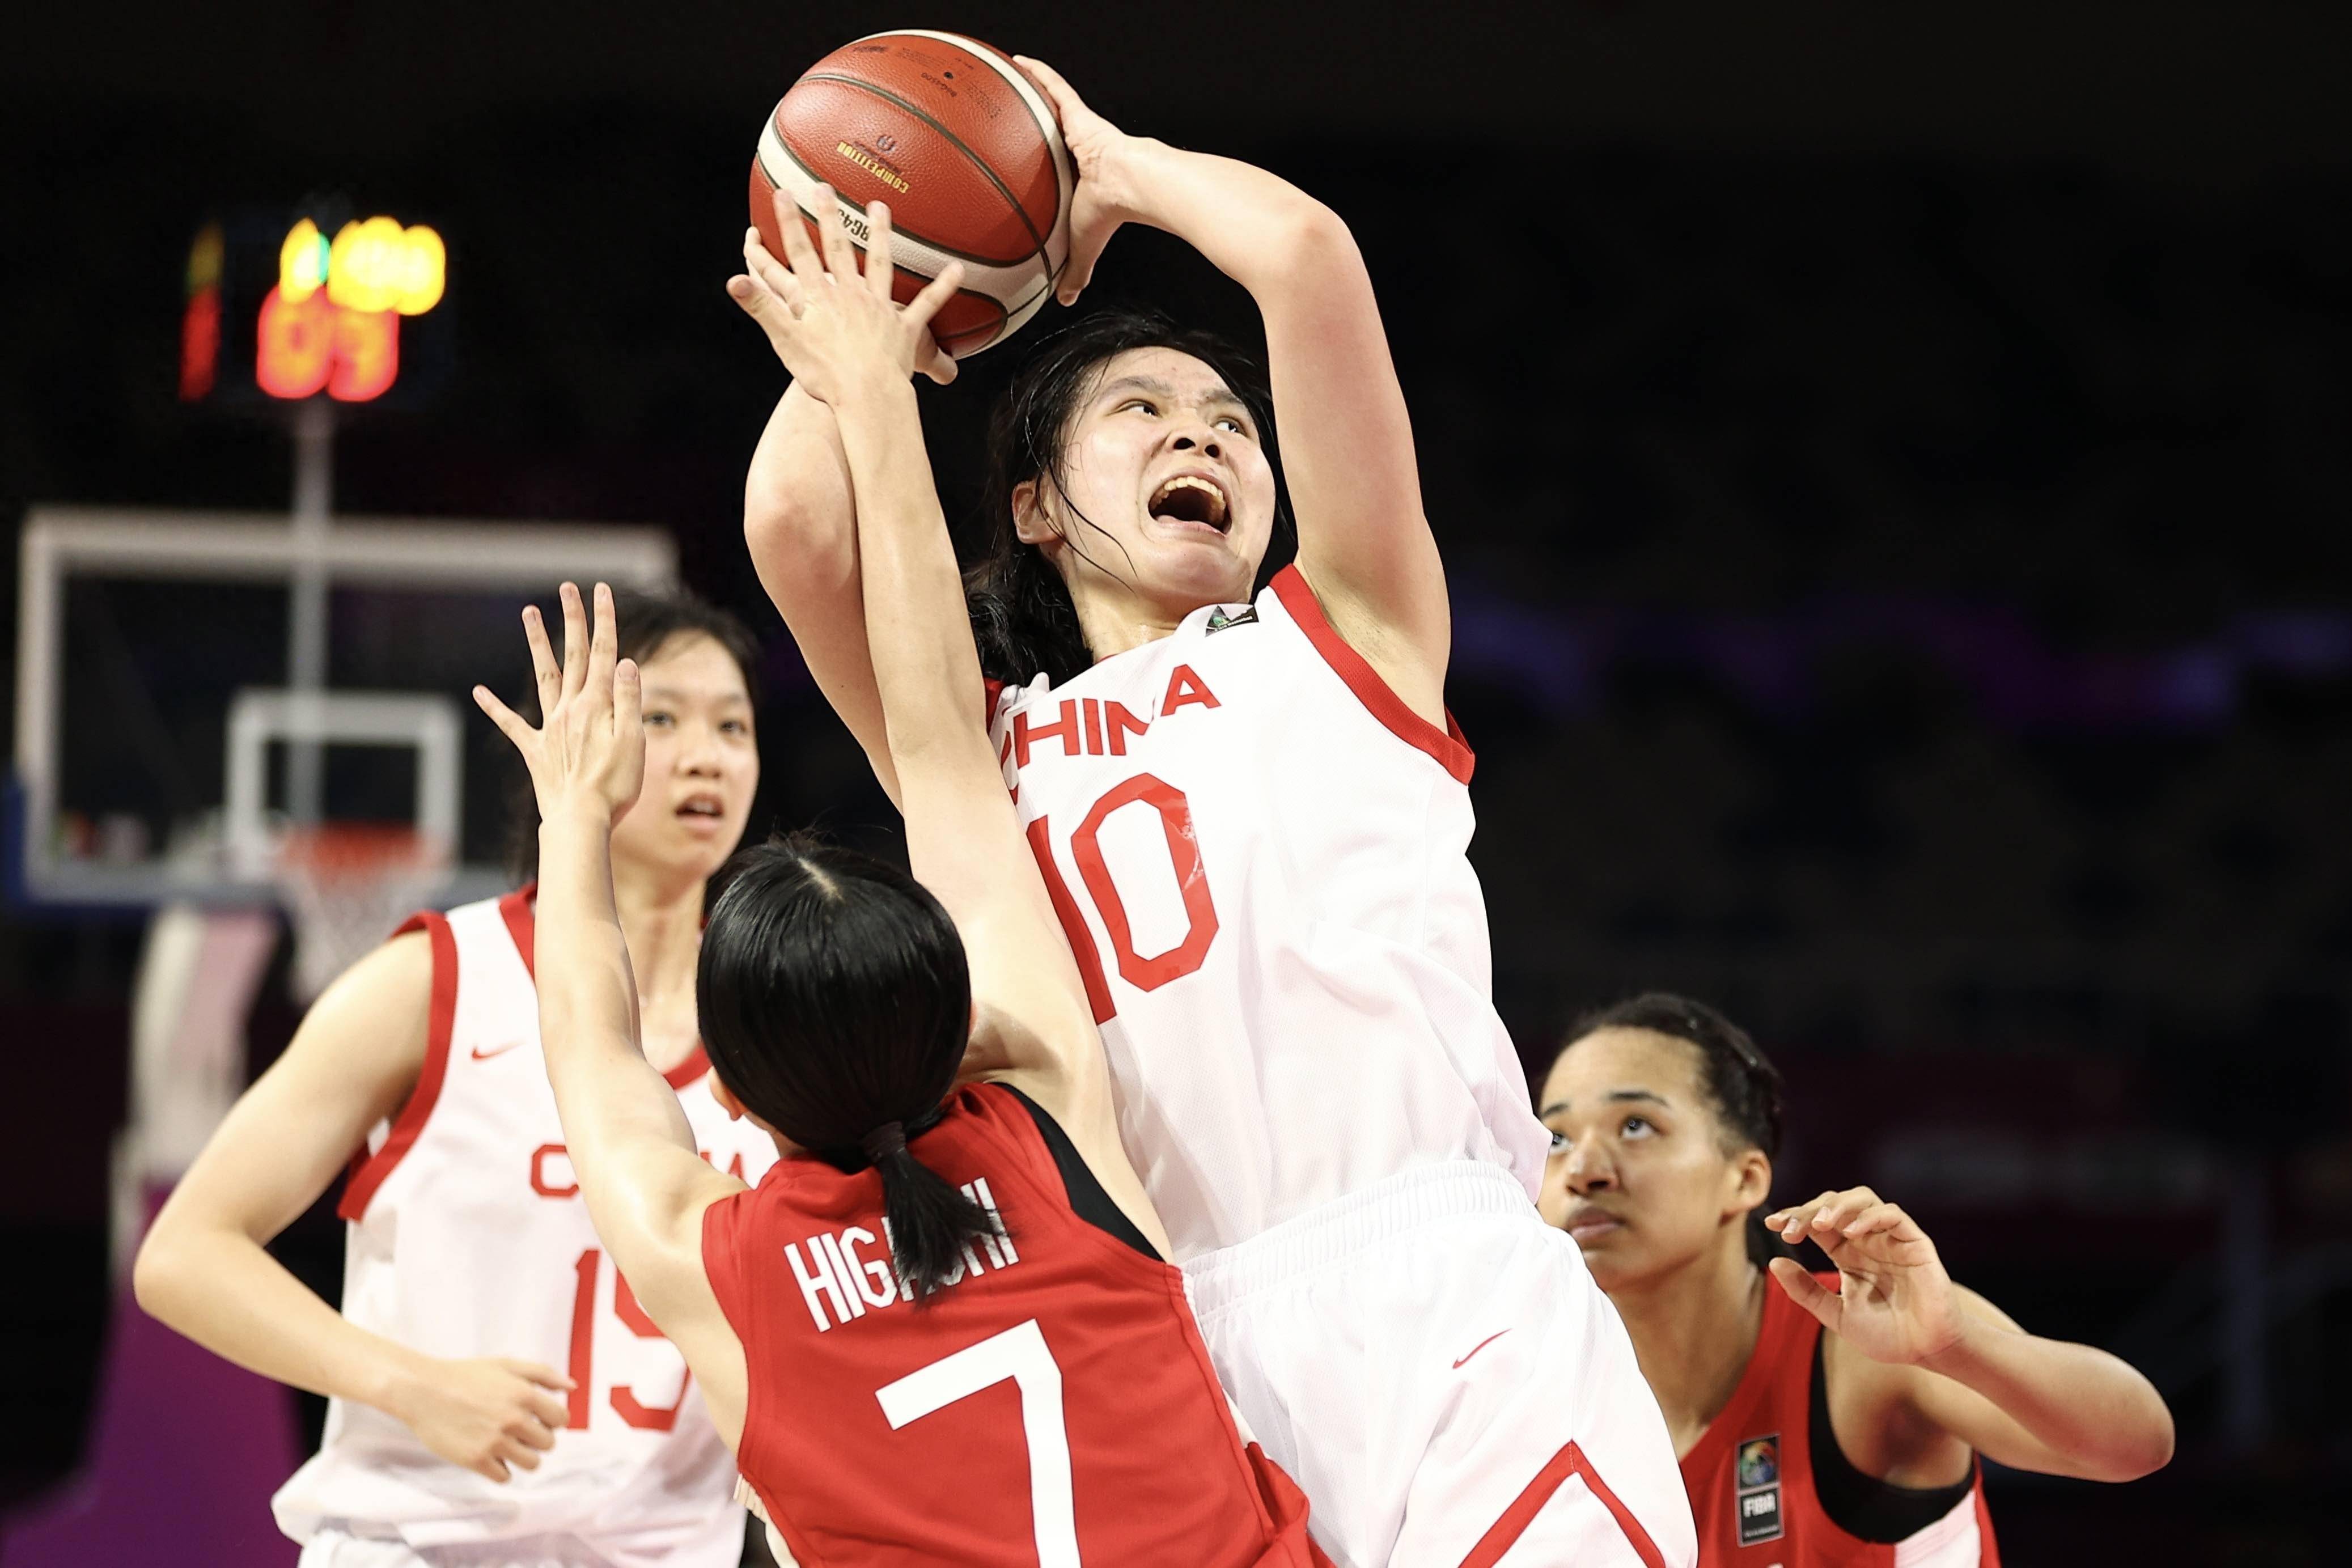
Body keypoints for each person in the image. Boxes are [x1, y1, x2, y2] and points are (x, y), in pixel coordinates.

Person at [738, 58, 1693, 1568]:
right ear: (1034, 507)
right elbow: (797, 528)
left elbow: (1304, 256)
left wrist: (1111, 168)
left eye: (1229, 423)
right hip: (1174, 1336)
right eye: (1138, 410)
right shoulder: (979, 744)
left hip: (1447, 1291)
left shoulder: (1352, 634)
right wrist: (870, 321)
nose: (1201, 437)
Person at [474, 231, 1327, 1561]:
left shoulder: (715, 1262)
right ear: (955, 1026)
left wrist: (574, 817)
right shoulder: (1046, 1126)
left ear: (730, 1094)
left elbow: (591, 1045)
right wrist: (876, 394)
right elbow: (941, 748)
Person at [132, 591, 774, 1566]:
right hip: (417, 1542)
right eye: (659, 716)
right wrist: (408, 1383)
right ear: (567, 740)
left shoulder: (778, 1022)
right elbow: (184, 1254)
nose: (705, 756)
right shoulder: (434, 980)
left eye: (733, 726)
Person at [1537, 993, 2177, 1566]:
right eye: (1557, 1138)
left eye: (1636, 1126)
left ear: (1745, 1178)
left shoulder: (1861, 1345)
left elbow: (2139, 1446)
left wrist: (1953, 1346)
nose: (1583, 1170)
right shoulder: (1533, 1397)